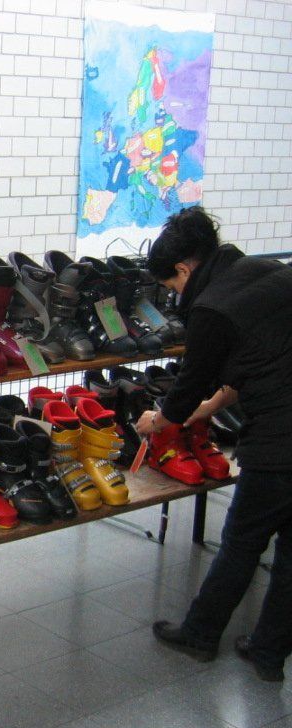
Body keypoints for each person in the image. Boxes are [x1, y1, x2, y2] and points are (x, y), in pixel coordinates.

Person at [134, 206, 292, 683]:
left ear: (184, 269)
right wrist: (207, 409)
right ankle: (268, 653)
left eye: (171, 285)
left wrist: (159, 420)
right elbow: (260, 359)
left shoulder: (211, 309)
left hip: (280, 438)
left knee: (242, 542)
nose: (174, 295)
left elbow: (188, 386)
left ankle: (201, 634)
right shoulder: (269, 271)